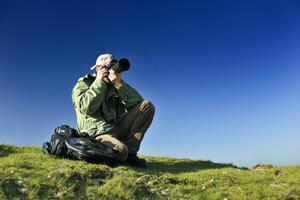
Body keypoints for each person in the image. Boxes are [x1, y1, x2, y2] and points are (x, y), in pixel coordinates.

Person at [72, 53, 155, 167]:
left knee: (147, 106)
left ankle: (131, 153)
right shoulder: (84, 83)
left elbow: (138, 104)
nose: (112, 70)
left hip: (115, 128)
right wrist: (100, 83)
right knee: (121, 152)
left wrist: (119, 84)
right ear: (98, 68)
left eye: (113, 67)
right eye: (107, 67)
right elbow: (86, 108)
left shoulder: (116, 85)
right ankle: (122, 152)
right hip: (96, 134)